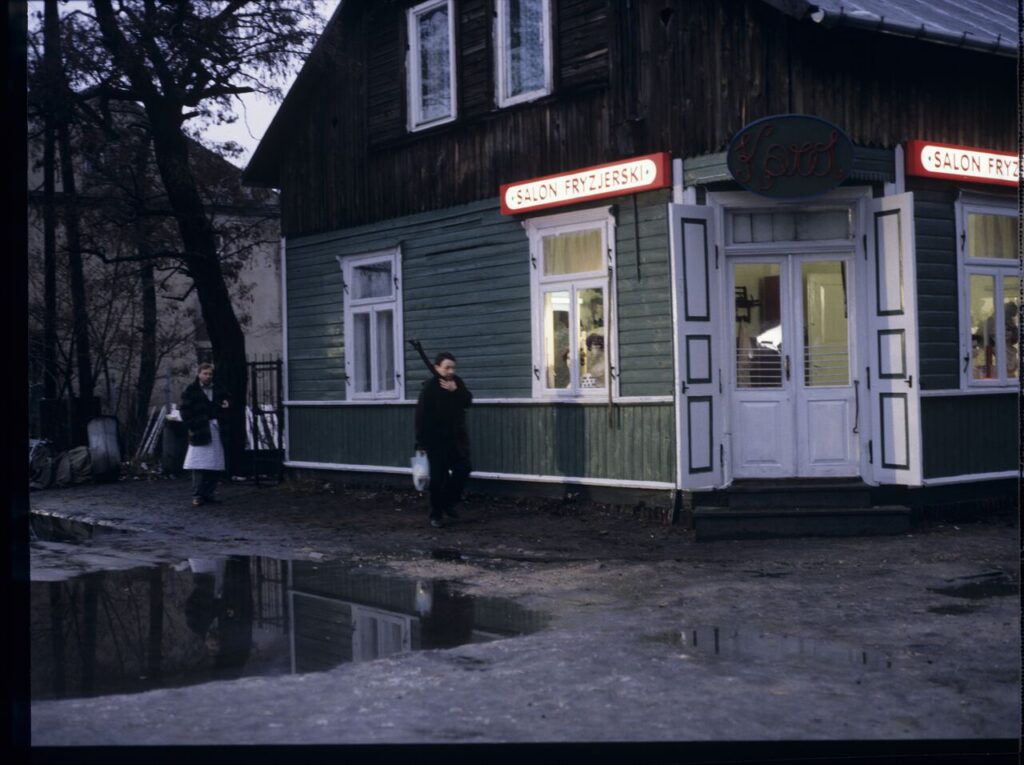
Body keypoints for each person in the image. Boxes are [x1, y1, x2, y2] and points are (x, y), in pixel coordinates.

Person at [414, 352, 473, 528]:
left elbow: (468, 402)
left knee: (464, 469)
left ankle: (449, 502)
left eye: (453, 367)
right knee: (438, 478)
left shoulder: (457, 383)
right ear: (437, 367)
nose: (450, 371)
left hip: (456, 439)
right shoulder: (430, 388)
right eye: (446, 367)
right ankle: (436, 514)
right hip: (435, 440)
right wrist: (421, 443)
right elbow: (421, 417)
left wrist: (456, 391)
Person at [180, 362, 230, 507]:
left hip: (216, 428)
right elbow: (185, 411)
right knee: (199, 464)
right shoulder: (191, 390)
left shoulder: (219, 389)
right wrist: (194, 425)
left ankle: (209, 493)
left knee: (215, 463)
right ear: (199, 374)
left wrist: (227, 404)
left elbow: (228, 399)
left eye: (210, 374)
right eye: (205, 373)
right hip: (200, 429)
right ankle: (197, 495)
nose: (208, 376)